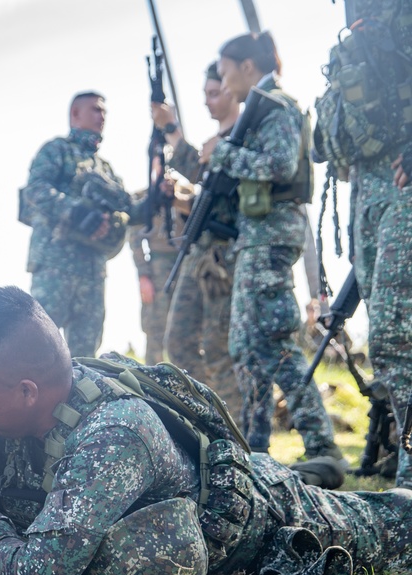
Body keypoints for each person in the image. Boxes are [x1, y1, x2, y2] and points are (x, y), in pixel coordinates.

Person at [0, 286, 412, 575]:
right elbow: (34, 527)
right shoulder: (31, 419)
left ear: (27, 390)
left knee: (393, 524)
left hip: (276, 513)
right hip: (200, 513)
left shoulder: (112, 435)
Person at [208, 32, 344, 487]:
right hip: (257, 237)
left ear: (247, 66)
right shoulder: (261, 107)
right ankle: (256, 451)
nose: (224, 83)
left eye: (226, 72)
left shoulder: (278, 105)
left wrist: (222, 152)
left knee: (273, 343)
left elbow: (280, 164)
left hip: (271, 237)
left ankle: (322, 448)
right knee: (247, 347)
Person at [318, 0, 412, 489]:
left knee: (398, 332)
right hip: (368, 194)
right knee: (388, 341)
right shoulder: (354, 30)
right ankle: (403, 456)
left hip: (403, 183)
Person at [152, 62, 245, 423]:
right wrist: (180, 200)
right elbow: (209, 198)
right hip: (200, 254)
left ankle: (235, 425)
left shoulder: (240, 138)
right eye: (206, 93)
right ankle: (211, 421)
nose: (208, 101)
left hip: (223, 258)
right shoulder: (214, 144)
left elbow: (230, 202)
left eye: (215, 92)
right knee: (178, 342)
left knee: (219, 346)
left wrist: (172, 129)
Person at [19, 91, 136, 358]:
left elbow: (127, 207)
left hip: (93, 271)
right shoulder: (56, 150)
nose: (102, 116)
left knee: (85, 356)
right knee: (38, 347)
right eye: (95, 109)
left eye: (104, 111)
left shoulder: (105, 169)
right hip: (55, 266)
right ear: (75, 114)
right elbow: (35, 190)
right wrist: (77, 212)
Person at [127, 203, 185, 365]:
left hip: (187, 263)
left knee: (186, 328)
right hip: (157, 270)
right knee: (155, 328)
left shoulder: (186, 197)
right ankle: (152, 376)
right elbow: (135, 239)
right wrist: (143, 276)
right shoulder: (147, 200)